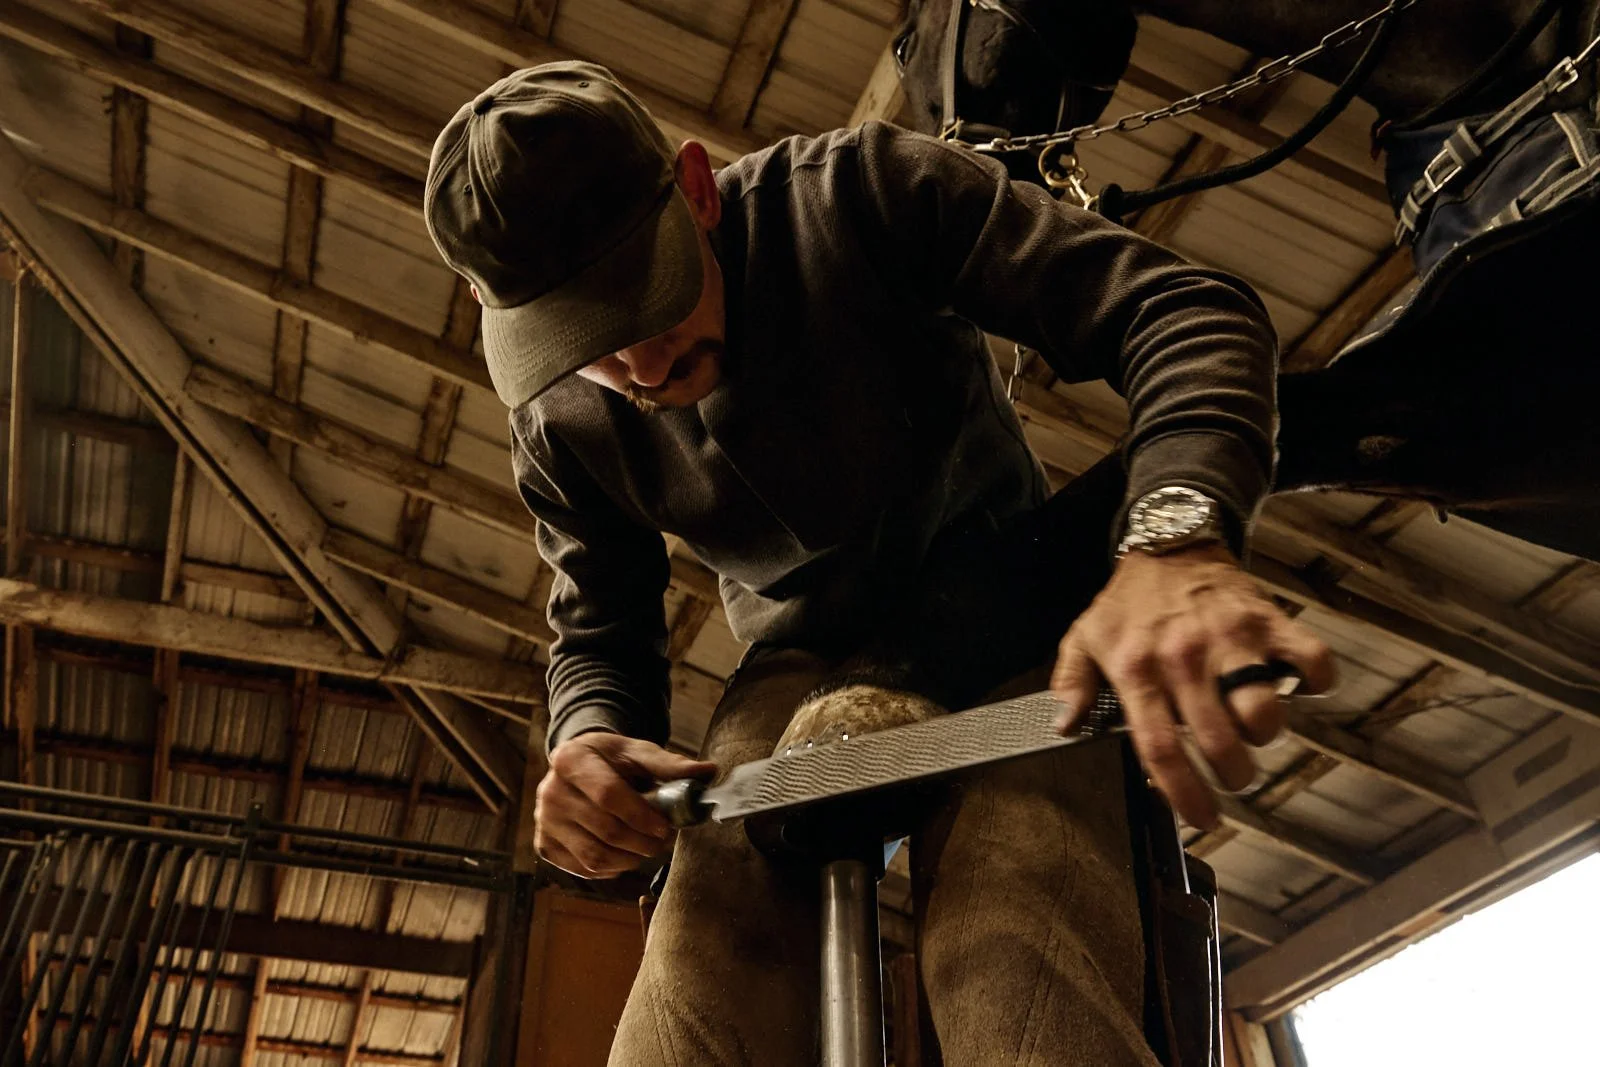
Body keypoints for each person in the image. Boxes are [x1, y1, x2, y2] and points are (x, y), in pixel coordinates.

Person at [424, 62, 1334, 1067]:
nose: (637, 367)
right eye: (584, 338)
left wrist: (1175, 529)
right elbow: (599, 623)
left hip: (1013, 615)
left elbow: (1178, 310)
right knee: (694, 984)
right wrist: (589, 737)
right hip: (793, 664)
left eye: (644, 296)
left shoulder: (858, 196)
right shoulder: (556, 419)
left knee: (1018, 948)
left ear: (694, 187)